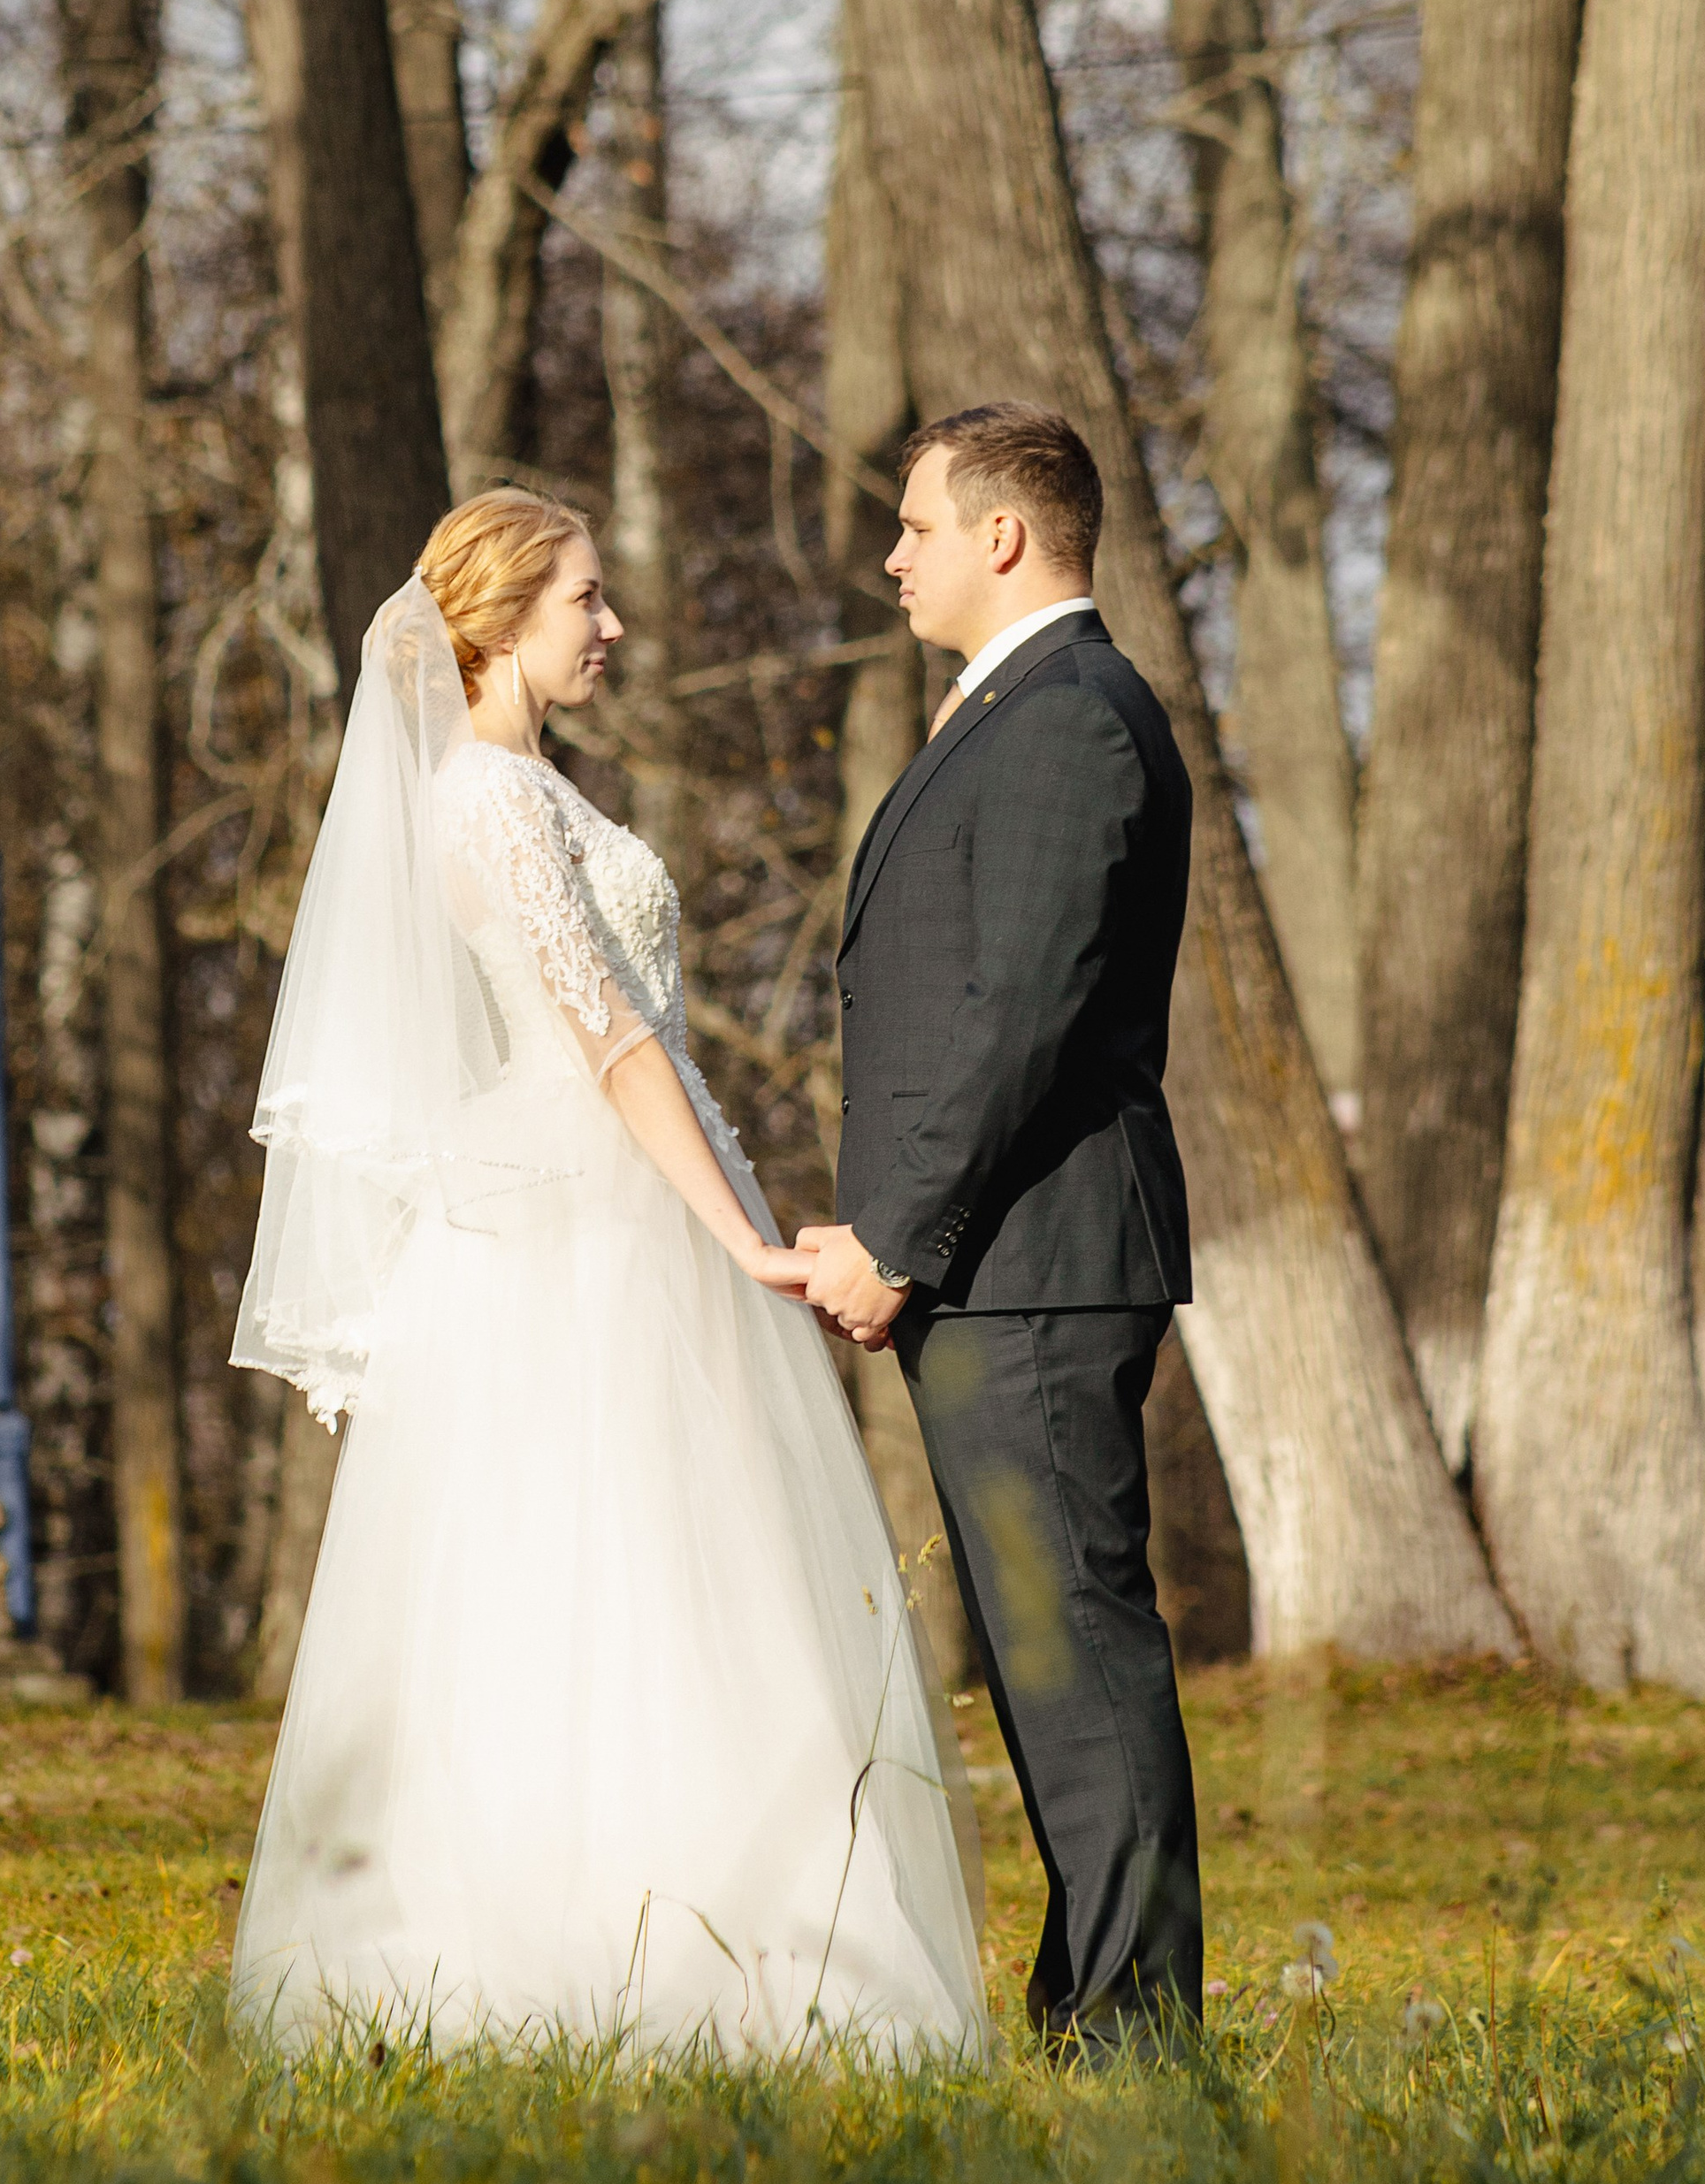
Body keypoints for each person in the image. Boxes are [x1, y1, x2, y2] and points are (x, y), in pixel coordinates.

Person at [227, 488, 986, 2062]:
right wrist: (741, 1241)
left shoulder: (523, 788)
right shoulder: (491, 802)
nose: (612, 623)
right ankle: (600, 1957)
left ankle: (703, 1934)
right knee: (600, 1568)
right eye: (586, 596)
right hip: (585, 1219)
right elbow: (614, 1042)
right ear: (503, 618)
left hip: (611, 1194)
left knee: (671, 1567)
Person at [799, 403, 1203, 2058]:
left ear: (1006, 536)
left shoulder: (1068, 723)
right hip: (1004, 1270)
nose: (893, 556)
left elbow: (1019, 1011)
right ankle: (1091, 2007)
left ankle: (1133, 2031)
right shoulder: (1020, 710)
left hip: (1031, 1267)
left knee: (1078, 1654)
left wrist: (898, 1235)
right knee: (1048, 1662)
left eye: (914, 526)